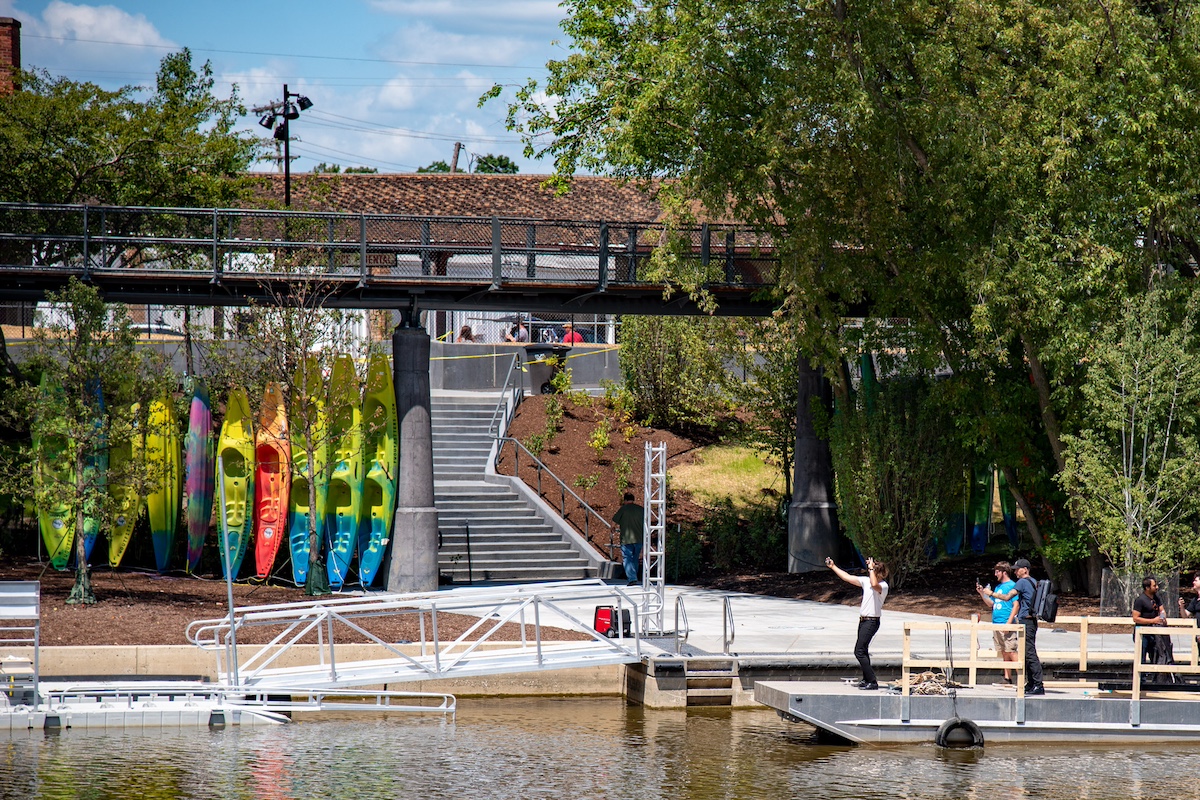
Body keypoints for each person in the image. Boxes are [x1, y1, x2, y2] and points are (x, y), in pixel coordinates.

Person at [825, 555, 889, 690]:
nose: (870, 571)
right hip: (863, 621)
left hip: (872, 621)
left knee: (858, 651)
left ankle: (872, 681)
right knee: (863, 650)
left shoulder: (883, 586)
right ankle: (867, 679)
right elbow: (847, 577)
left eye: (873, 570)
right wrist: (833, 566)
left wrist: (871, 569)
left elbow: (874, 584)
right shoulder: (866, 581)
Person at [976, 561, 1019, 684]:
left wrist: (1009, 623)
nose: (995, 574)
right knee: (1004, 651)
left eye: (997, 572)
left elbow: (1016, 605)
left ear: (1004, 572)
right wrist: (982, 594)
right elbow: (992, 604)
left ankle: (1022, 678)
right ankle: (1007, 678)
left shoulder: (1012, 586)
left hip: (1006, 622)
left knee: (1011, 650)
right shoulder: (998, 587)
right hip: (997, 623)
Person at [1008, 558, 1045, 694]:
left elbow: (1008, 597)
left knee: (1029, 653)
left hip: (1027, 622)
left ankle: (1038, 684)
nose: (1016, 572)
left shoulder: (1022, 582)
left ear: (1025, 569)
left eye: (1017, 569)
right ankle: (1030, 684)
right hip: (1032, 621)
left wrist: (990, 593)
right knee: (1026, 652)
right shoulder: (1034, 582)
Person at [1133, 576, 1167, 665]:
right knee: (1141, 659)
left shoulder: (1156, 598)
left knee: (1156, 657)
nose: (1157, 587)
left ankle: (1156, 678)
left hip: (1154, 633)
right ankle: (1141, 679)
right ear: (1147, 588)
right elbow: (1135, 618)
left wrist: (1162, 617)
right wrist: (1153, 621)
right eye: (1154, 586)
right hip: (1142, 634)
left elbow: (1162, 610)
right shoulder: (1140, 600)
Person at [612, 492, 644, 586]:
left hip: (626, 539)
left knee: (627, 558)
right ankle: (634, 576)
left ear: (625, 500)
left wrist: (612, 529)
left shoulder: (623, 509)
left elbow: (614, 522)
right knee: (635, 558)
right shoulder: (640, 510)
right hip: (639, 538)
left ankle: (632, 578)